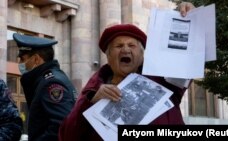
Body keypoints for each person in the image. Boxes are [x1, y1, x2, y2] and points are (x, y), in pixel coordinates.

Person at [58, 2, 195, 141]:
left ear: (142, 56)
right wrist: (91, 102)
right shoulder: (92, 91)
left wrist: (185, 17)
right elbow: (67, 136)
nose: (125, 50)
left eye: (131, 45)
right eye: (118, 46)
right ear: (109, 57)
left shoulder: (164, 81)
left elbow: (184, 60)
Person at [12, 33, 77, 141]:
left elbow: (60, 127)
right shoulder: (46, 79)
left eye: (23, 59)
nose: (20, 63)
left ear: (36, 59)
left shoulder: (51, 83)